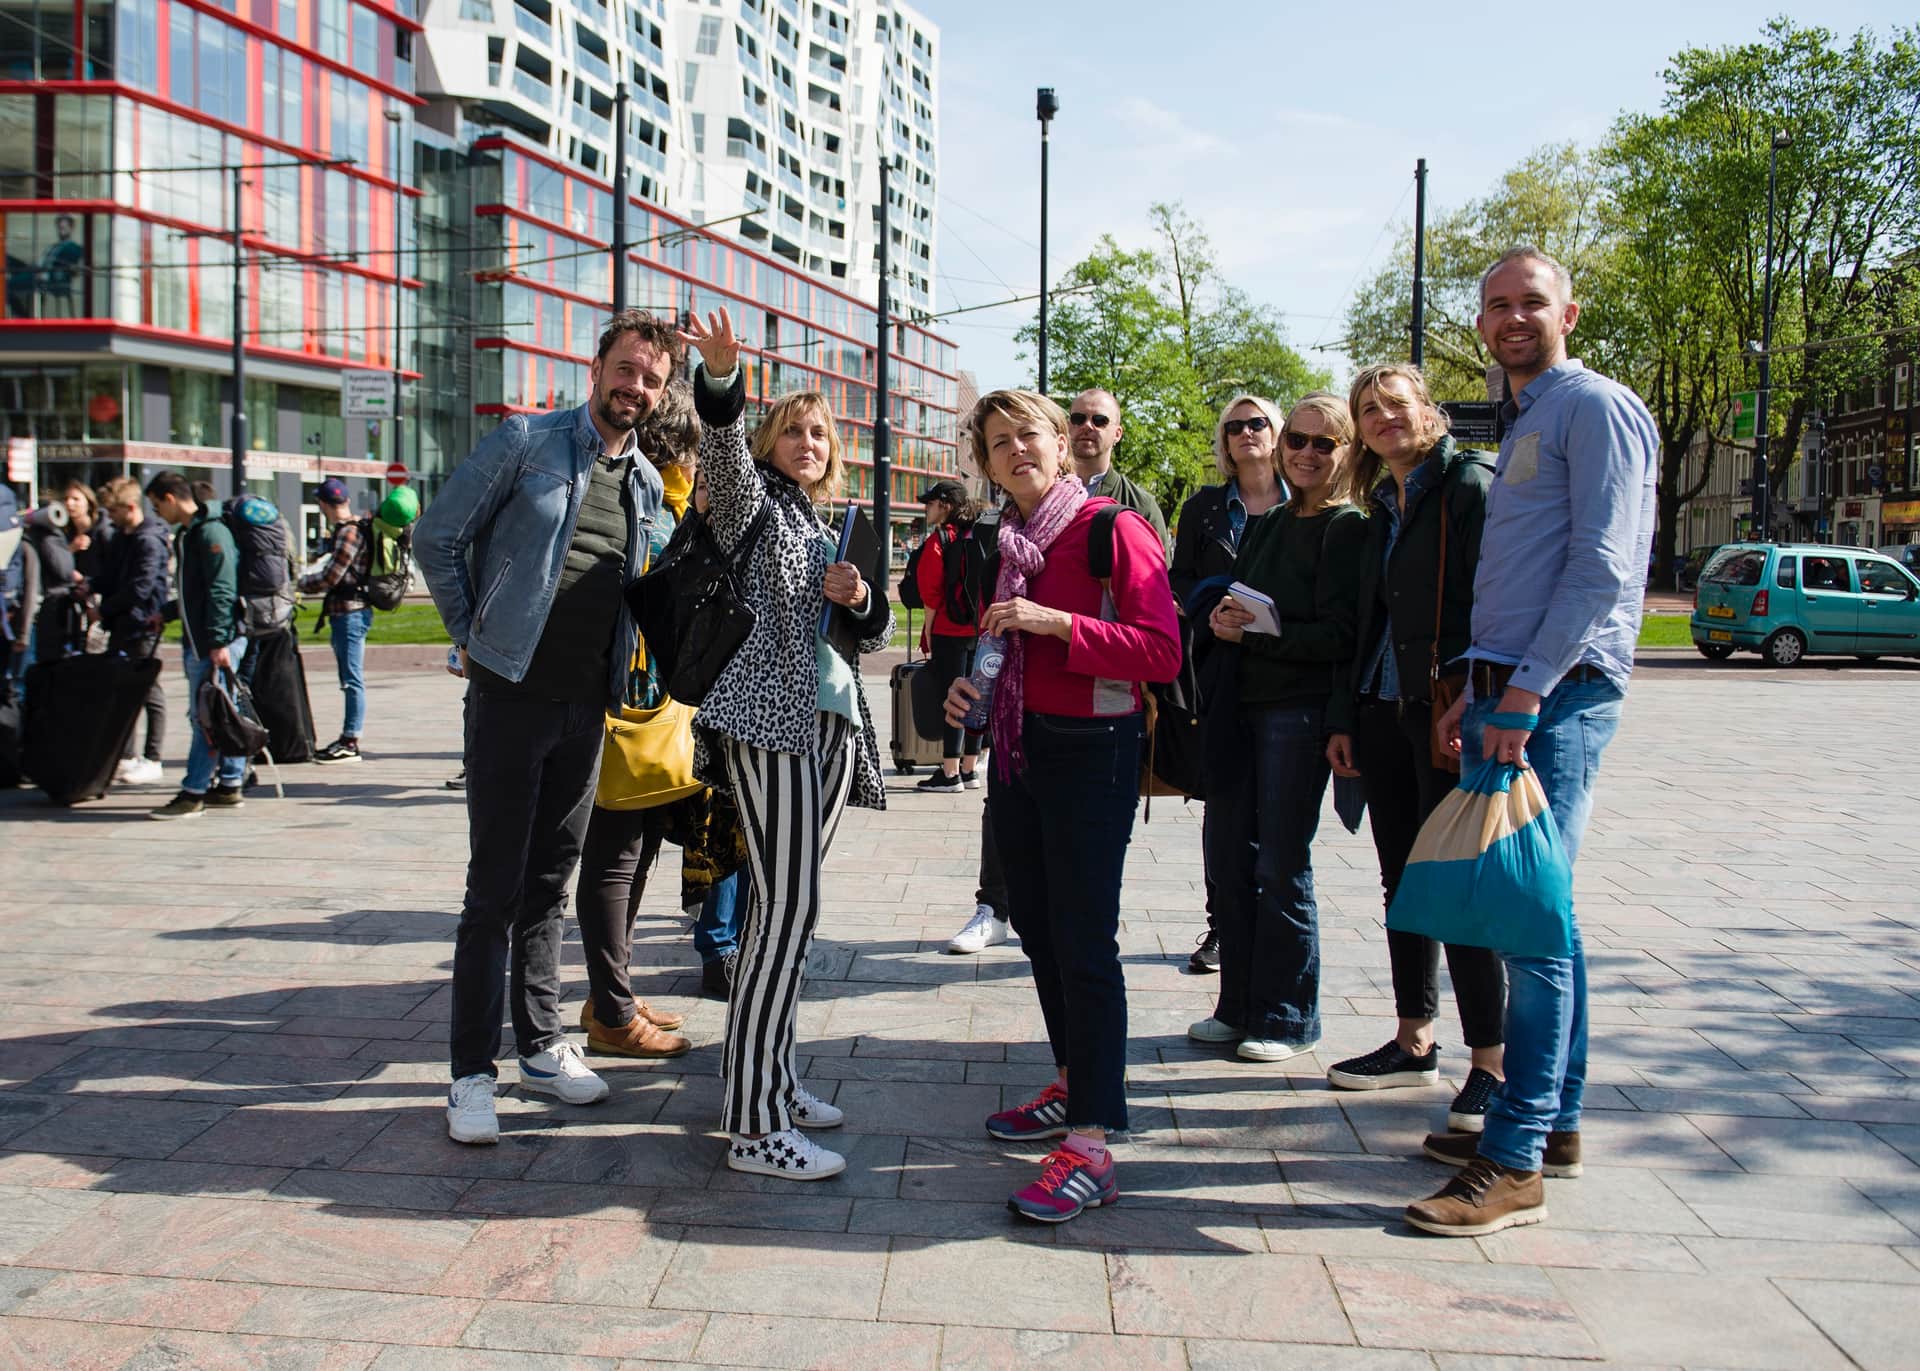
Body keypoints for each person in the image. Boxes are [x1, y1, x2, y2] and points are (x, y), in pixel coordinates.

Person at [1404, 247, 1658, 1237]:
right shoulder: (1526, 418)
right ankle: (1550, 1125)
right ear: (1481, 323)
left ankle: (1511, 1161)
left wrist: (1520, 694)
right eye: (1498, 305)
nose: (1514, 318)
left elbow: (1601, 570)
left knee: (1530, 926)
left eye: (1532, 302)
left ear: (1570, 313)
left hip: (1554, 694)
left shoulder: (1594, 407)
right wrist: (1476, 685)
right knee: (1542, 918)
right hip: (1504, 686)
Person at [415, 308, 674, 1146]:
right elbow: (437, 537)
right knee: (493, 886)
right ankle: (470, 1073)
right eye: (626, 369)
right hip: (510, 694)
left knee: (551, 882)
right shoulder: (526, 442)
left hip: (586, 705)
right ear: (596, 368)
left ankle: (539, 1045)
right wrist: (472, 635)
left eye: (652, 380)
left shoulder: (644, 484)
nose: (636, 387)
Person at [944, 388, 1180, 1225]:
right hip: (1018, 748)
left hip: (1092, 750)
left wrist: (1056, 623)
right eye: (997, 442)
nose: (1016, 450)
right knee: (1039, 929)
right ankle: (1073, 1082)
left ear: (1059, 441)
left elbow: (1161, 650)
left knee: (1084, 942)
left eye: (1028, 435)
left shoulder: (1113, 528)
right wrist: (971, 690)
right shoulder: (1008, 542)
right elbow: (1000, 645)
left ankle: (1092, 1145)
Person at [679, 307, 893, 1182]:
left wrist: (861, 597)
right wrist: (723, 381)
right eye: (794, 429)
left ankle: (768, 1077)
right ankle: (756, 1124)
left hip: (830, 729)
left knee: (784, 916)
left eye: (820, 432)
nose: (808, 441)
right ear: (769, 440)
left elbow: (873, 634)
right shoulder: (753, 503)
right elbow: (723, 456)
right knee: (785, 915)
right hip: (772, 729)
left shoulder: (819, 521)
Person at [1323, 364, 1508, 1128]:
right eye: (1368, 409)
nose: (1383, 417)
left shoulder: (1467, 485)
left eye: (1395, 403)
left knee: (1456, 884)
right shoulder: (1383, 504)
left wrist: (1479, 691)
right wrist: (1345, 714)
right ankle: (1414, 1038)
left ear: (1428, 409)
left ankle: (1491, 1063)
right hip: (1384, 708)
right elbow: (1367, 621)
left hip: (1445, 710)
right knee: (1403, 881)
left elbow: (1497, 598)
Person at [1190, 394, 1365, 1063]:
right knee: (1230, 861)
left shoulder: (1346, 526)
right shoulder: (1272, 522)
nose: (1307, 453)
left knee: (1281, 864)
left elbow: (1344, 635)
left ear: (1348, 451)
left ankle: (1289, 1017)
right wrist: (1224, 619)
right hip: (1242, 704)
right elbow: (1241, 597)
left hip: (1298, 711)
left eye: (1325, 443)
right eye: (1298, 439)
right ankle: (1238, 1006)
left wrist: (1264, 632)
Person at [570, 379, 700, 1060]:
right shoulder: (645, 499)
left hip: (652, 702)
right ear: (678, 446)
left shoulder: (671, 500)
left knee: (638, 851)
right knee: (615, 858)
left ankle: (608, 992)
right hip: (623, 701)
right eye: (697, 449)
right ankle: (612, 1014)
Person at [1169, 393, 1289, 976]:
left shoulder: (1304, 502)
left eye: (1257, 423)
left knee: (1280, 811)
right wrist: (1211, 605)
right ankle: (1222, 925)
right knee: (1223, 806)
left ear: (1276, 432)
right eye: (1235, 426)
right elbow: (1179, 580)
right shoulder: (1205, 509)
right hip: (1219, 668)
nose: (1246, 433)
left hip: (1288, 674)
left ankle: (1273, 927)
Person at [144, 472, 248, 820]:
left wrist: (218, 640)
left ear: (170, 498)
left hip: (212, 642)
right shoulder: (191, 533)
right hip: (205, 639)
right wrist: (167, 613)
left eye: (157, 506)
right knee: (221, 712)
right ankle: (230, 784)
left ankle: (194, 792)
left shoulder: (210, 532)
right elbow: (197, 591)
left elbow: (222, 589)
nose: (158, 514)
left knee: (206, 718)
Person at [913, 477, 987, 793]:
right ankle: (969, 769)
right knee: (974, 698)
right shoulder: (975, 535)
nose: (926, 509)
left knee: (953, 699)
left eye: (930, 503)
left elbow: (931, 593)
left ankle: (949, 772)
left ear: (944, 505)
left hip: (948, 628)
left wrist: (928, 630)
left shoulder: (939, 541)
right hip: (977, 629)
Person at [95, 477, 171, 786]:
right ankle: (126, 755)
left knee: (149, 691)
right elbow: (112, 577)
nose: (109, 517)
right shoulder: (123, 537)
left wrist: (104, 609)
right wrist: (90, 585)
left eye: (113, 511)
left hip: (142, 623)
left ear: (130, 507)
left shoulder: (148, 540)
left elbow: (140, 587)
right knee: (123, 690)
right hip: (123, 622)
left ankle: (153, 758)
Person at [298, 478, 371, 765]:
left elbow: (332, 576)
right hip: (349, 611)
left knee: (352, 679)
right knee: (350, 678)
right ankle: (348, 738)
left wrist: (301, 583)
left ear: (323, 504)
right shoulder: (351, 529)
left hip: (350, 612)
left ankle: (350, 741)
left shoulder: (348, 533)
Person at [1066, 388, 1169, 553]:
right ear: (1068, 426)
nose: (1087, 426)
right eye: (1078, 419)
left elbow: (1158, 567)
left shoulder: (1140, 505)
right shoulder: (1040, 493)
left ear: (1117, 434)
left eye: (1099, 420)